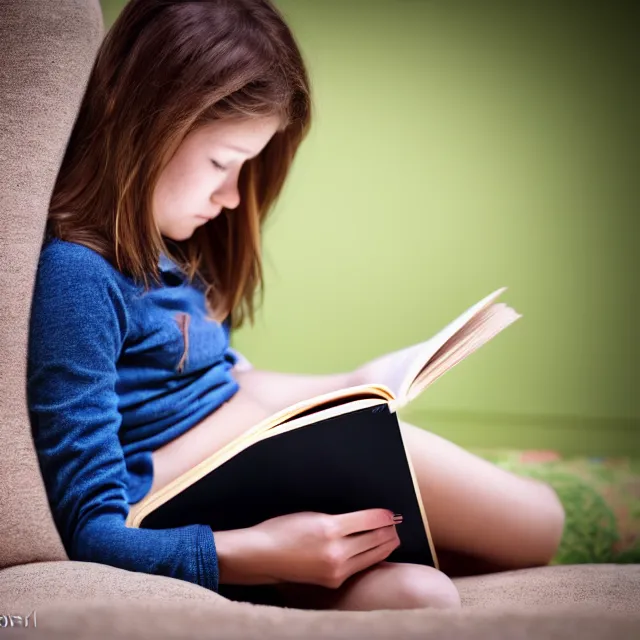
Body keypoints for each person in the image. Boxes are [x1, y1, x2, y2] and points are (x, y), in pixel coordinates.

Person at [27, 0, 565, 612]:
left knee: (424, 595)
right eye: (222, 163)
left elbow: (224, 377)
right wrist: (261, 550)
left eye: (246, 167)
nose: (232, 196)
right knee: (538, 522)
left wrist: (356, 383)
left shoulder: (178, 252)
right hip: (198, 510)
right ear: (141, 122)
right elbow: (92, 531)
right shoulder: (79, 276)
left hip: (259, 477)